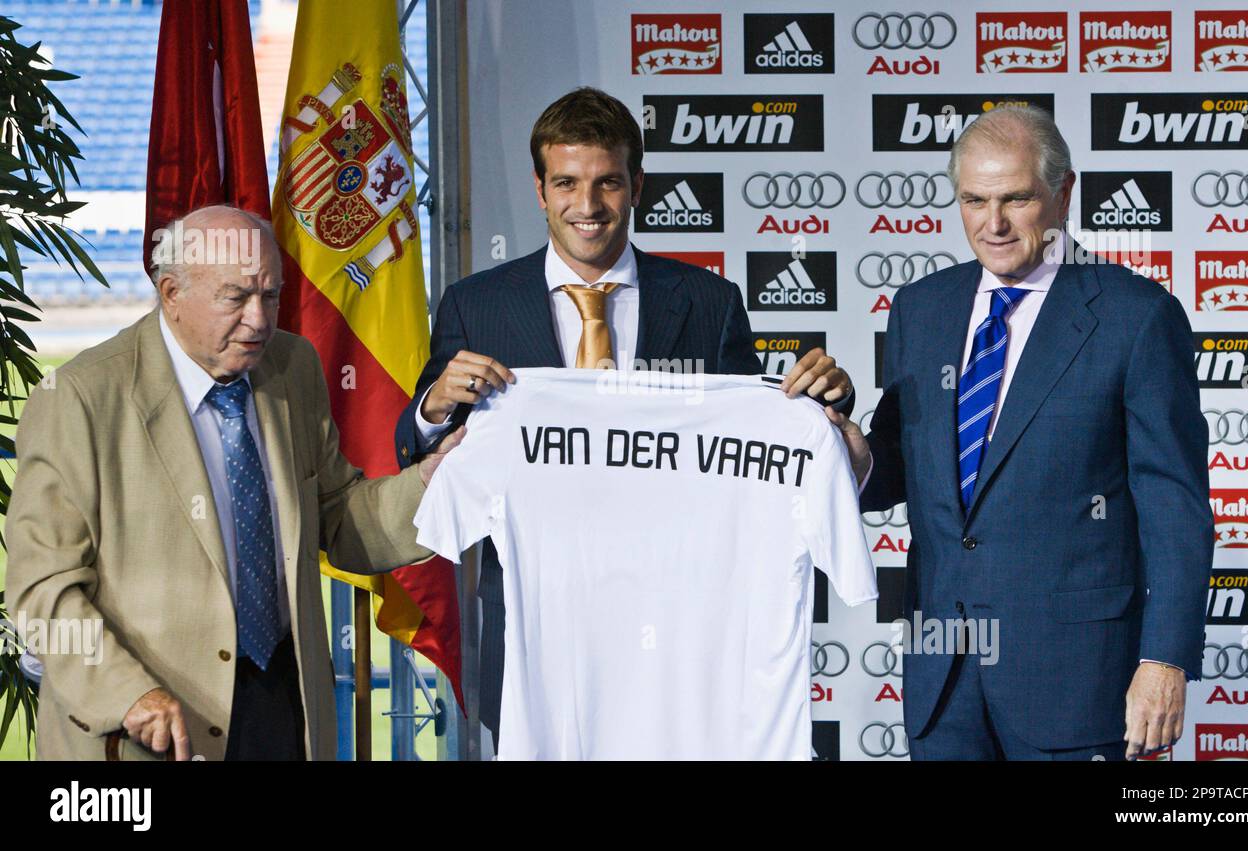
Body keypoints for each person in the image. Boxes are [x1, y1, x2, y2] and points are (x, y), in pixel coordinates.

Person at [393, 87, 856, 747]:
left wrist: (823, 409)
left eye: (607, 182)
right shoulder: (477, 305)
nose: (587, 206)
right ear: (539, 187)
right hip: (537, 644)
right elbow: (414, 458)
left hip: (682, 644)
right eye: (567, 183)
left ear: (637, 184)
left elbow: (753, 448)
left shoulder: (708, 303)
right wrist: (434, 407)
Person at [7, 205, 461, 761]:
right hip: (145, 729)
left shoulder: (292, 366)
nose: (259, 320)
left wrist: (430, 483)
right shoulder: (81, 398)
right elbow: (41, 590)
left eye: (270, 295)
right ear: (171, 291)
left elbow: (338, 515)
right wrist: (130, 694)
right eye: (236, 297)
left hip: (283, 707)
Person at [830, 105, 1213, 760]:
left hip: (1077, 683)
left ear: (1063, 194)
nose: (993, 223)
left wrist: (1164, 661)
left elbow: (1175, 507)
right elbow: (895, 468)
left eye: (1015, 199)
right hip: (943, 678)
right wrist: (845, 443)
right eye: (974, 200)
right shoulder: (920, 308)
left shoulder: (1137, 317)